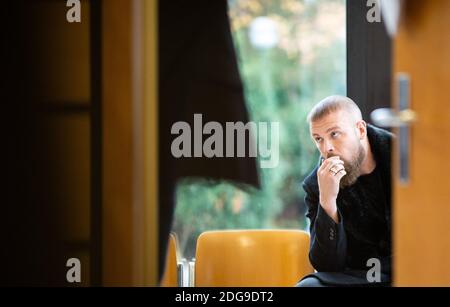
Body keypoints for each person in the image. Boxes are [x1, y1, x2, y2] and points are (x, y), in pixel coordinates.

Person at [297, 96, 392, 287]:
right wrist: (327, 201)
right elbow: (326, 265)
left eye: (334, 134)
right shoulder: (316, 185)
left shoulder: (402, 157)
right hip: (353, 278)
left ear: (360, 130)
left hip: (408, 269)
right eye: (318, 139)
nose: (327, 148)